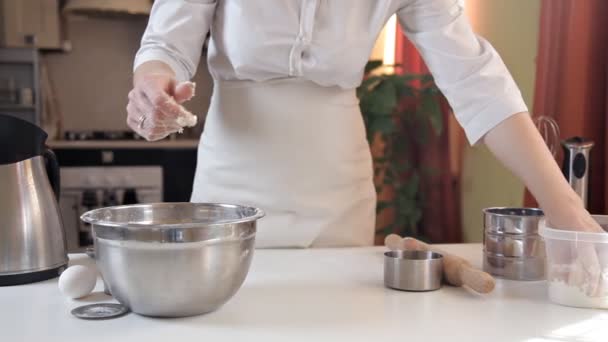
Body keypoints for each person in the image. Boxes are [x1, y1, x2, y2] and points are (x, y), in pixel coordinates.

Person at [127, 0, 603, 250]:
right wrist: (153, 87)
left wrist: (566, 210)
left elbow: (477, 80)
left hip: (338, 191)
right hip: (231, 184)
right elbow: (166, 46)